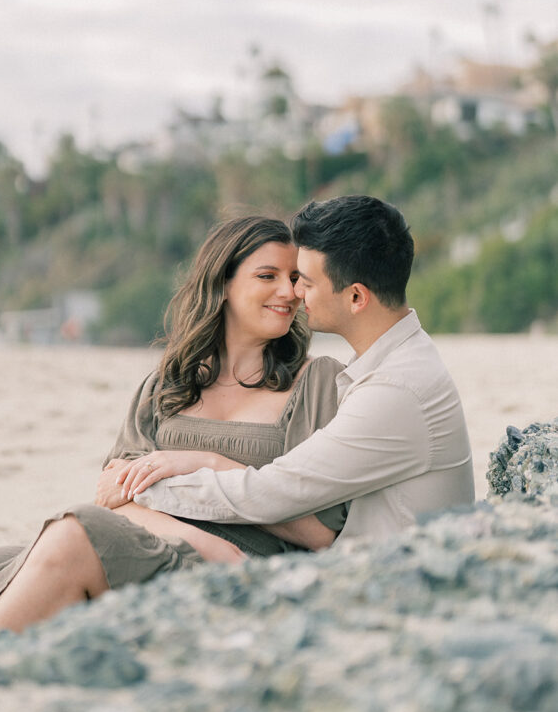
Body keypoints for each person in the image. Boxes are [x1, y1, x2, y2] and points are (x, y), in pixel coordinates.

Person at [0, 216, 347, 631]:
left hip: (249, 573)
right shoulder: (168, 384)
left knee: (74, 533)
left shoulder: (315, 383)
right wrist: (202, 540)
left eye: (294, 278)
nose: (289, 292)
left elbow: (322, 532)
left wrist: (210, 465)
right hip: (166, 549)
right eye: (268, 276)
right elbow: (113, 495)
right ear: (222, 284)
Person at [121, 195, 475, 541]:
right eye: (271, 277)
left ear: (355, 297)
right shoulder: (388, 367)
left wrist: (154, 482)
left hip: (400, 581)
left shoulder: (395, 389)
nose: (294, 293)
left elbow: (275, 492)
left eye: (304, 280)